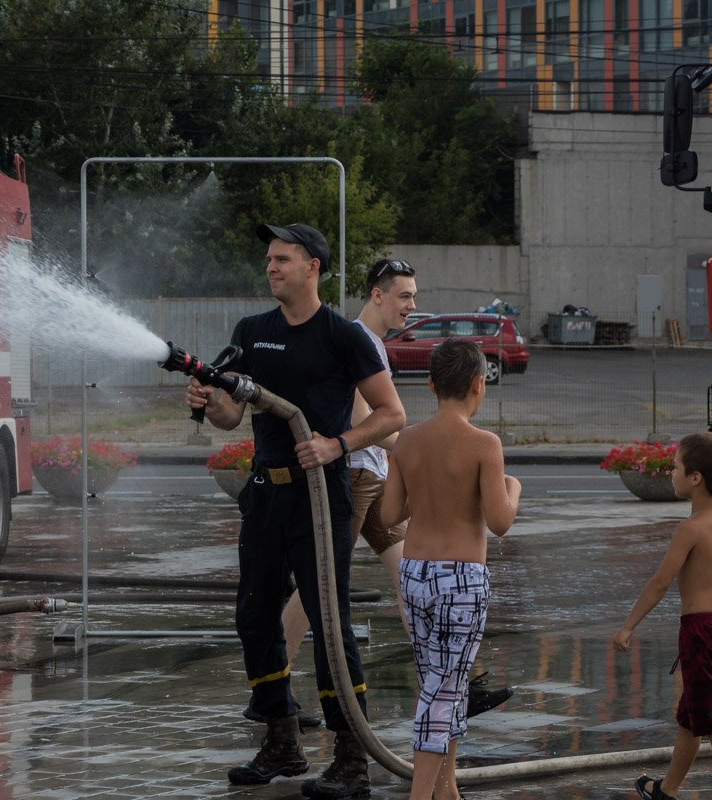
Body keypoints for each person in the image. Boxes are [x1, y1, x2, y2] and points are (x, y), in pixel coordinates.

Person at [187, 222, 405, 800]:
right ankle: (282, 739)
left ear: (313, 267)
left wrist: (336, 444)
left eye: (282, 258)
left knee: (328, 621)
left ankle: (351, 759)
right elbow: (234, 419)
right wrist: (210, 403)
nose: (271, 267)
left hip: (320, 495)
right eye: (268, 258)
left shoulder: (341, 334)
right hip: (266, 493)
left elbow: (391, 414)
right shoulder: (252, 332)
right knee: (255, 615)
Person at [259, 258, 512, 732]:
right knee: (319, 587)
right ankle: (275, 689)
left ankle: (455, 683)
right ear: (377, 294)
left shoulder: (371, 341)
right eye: (404, 296)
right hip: (356, 478)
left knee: (407, 577)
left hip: (375, 479)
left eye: (414, 296)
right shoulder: (357, 341)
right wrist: (435, 452)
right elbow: (365, 425)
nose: (412, 306)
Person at [380, 337, 521, 800]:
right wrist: (513, 487)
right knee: (442, 693)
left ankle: (448, 792)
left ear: (431, 384)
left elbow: (389, 516)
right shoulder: (484, 444)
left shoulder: (407, 441)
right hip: (460, 582)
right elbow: (500, 522)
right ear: (480, 384)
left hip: (415, 574)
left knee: (443, 684)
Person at [613, 432, 712, 800]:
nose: (672, 473)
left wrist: (628, 627)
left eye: (676, 467)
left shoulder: (690, 529)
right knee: (692, 717)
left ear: (695, 478)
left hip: (700, 632)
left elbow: (660, 583)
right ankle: (668, 789)